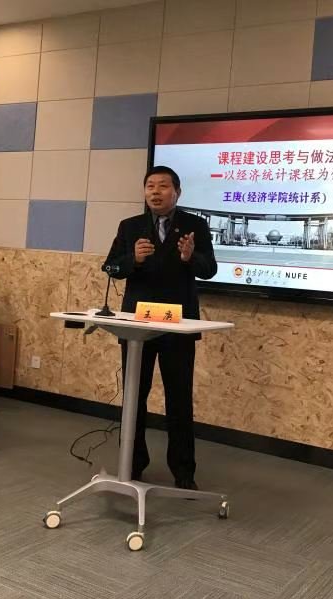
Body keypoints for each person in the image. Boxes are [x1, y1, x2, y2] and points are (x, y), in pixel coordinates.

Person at [103, 165, 217, 490]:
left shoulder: (195, 226)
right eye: (150, 186)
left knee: (179, 400)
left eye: (163, 186)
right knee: (134, 397)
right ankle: (131, 465)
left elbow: (209, 269)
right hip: (137, 327)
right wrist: (133, 260)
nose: (155, 191)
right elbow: (110, 267)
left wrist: (190, 257)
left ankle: (184, 473)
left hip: (177, 326)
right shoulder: (130, 227)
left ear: (177, 192)